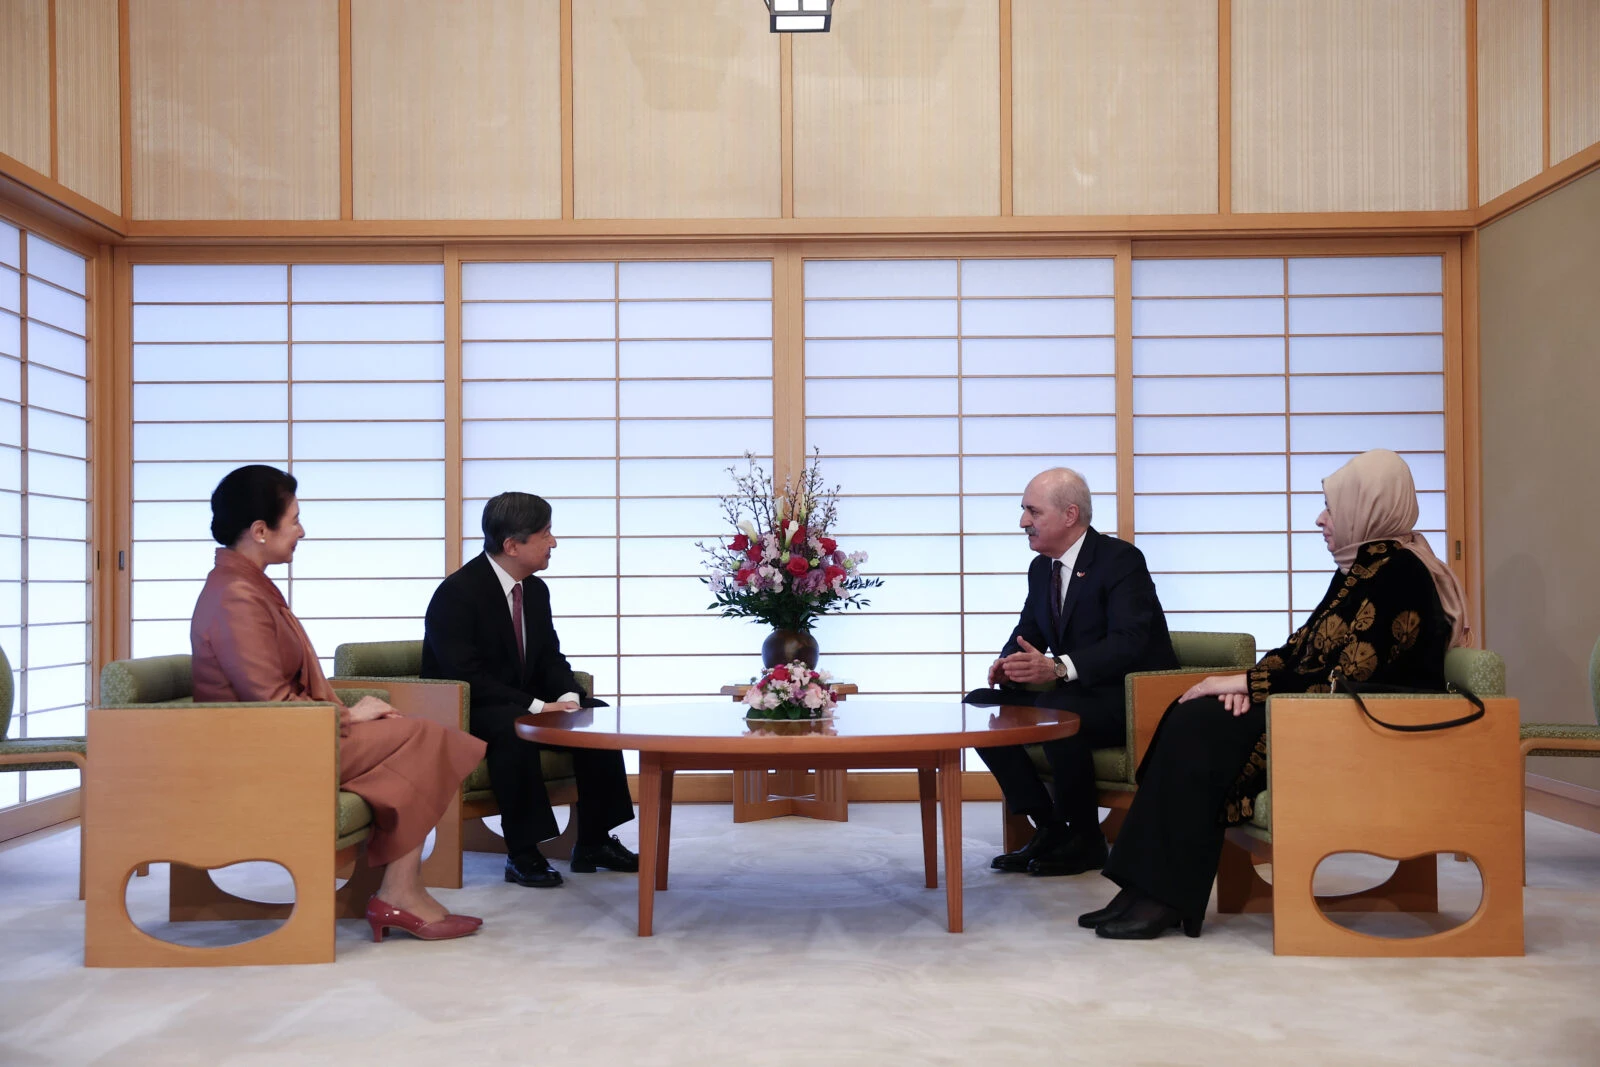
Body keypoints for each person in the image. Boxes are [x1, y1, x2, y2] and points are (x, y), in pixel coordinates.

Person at [1084, 449, 1470, 940]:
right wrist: (1248, 683)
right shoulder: (1365, 567)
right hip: (1317, 707)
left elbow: (1351, 671)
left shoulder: (1399, 573)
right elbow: (1304, 649)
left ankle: (1164, 894)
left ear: (1368, 506)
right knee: (1194, 713)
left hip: (1359, 724)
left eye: (1332, 506)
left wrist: (1247, 685)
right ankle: (1145, 886)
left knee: (1199, 725)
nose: (1320, 519)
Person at [191, 465, 486, 944]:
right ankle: (399, 893)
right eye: (294, 519)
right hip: (262, 752)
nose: (302, 530)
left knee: (418, 736)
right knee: (427, 737)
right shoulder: (235, 598)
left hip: (290, 738)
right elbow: (270, 707)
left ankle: (401, 890)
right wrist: (349, 715)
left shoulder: (246, 585)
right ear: (260, 531)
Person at [966, 467, 1178, 878]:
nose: (1023, 522)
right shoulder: (1041, 568)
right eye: (1023, 511)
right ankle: (1047, 825)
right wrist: (1008, 665)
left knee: (1058, 708)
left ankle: (1086, 839)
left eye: (1032, 512)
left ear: (1069, 515)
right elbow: (1029, 631)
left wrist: (1058, 666)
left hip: (1129, 695)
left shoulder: (1120, 561)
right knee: (981, 707)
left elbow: (1129, 641)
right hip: (1074, 692)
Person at [422, 492, 638, 890]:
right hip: (468, 707)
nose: (553, 542)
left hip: (520, 701)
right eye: (545, 534)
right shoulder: (457, 594)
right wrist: (538, 707)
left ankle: (593, 841)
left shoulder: (534, 591)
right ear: (512, 545)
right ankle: (522, 852)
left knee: (595, 714)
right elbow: (465, 675)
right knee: (513, 728)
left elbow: (549, 657)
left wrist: (570, 698)